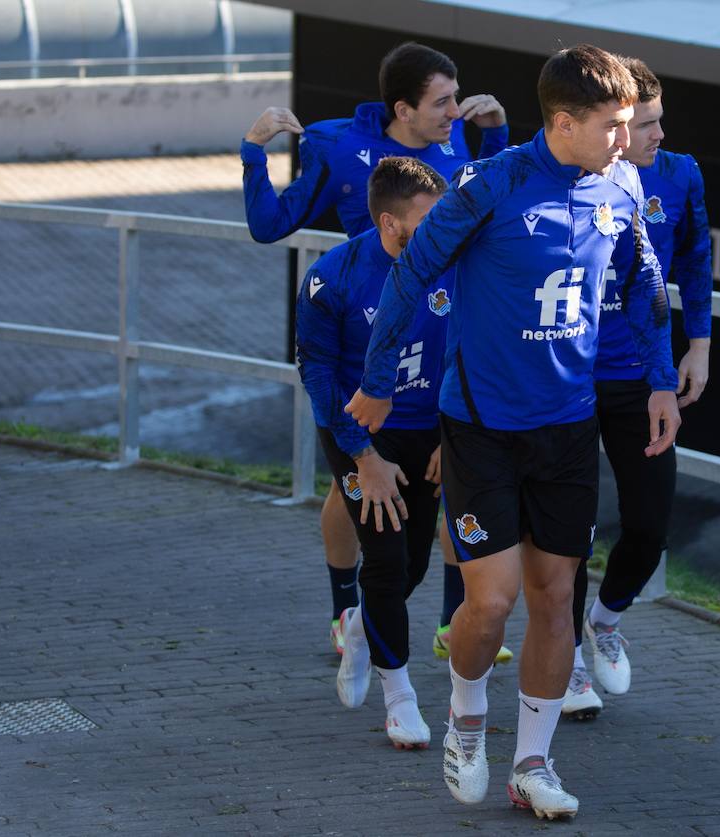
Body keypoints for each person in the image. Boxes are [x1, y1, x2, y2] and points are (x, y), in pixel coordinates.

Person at [345, 44, 680, 820]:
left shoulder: (622, 188)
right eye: (613, 125)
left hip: (568, 427)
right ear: (563, 123)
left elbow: (645, 287)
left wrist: (660, 378)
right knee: (490, 603)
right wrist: (376, 380)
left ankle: (533, 760)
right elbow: (411, 274)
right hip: (483, 428)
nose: (626, 140)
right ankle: (467, 720)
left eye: (631, 124)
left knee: (555, 597)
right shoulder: (487, 187)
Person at [239, 41, 512, 662]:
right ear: (402, 108)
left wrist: (494, 137)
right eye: (441, 101)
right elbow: (268, 225)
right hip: (366, 348)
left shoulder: (456, 141)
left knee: (446, 484)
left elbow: (483, 210)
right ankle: (346, 610)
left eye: (455, 96)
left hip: (440, 335)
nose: (454, 110)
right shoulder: (340, 148)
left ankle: (452, 617)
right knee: (353, 486)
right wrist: (254, 152)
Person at [564, 55, 712, 721]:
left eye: (655, 122)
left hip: (638, 380)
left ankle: (605, 618)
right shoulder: (575, 175)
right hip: (566, 378)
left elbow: (695, 262)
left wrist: (698, 345)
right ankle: (564, 659)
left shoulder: (681, 174)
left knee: (650, 522)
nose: (654, 136)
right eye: (642, 123)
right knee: (567, 530)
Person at [295, 156, 452, 750]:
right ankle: (400, 697)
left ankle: (360, 624)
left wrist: (448, 436)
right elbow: (317, 377)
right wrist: (363, 456)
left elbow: (467, 349)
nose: (440, 231)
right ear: (389, 223)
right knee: (385, 562)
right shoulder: (332, 278)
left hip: (429, 433)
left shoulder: (452, 261)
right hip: (360, 438)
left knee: (409, 567)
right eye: (427, 220)